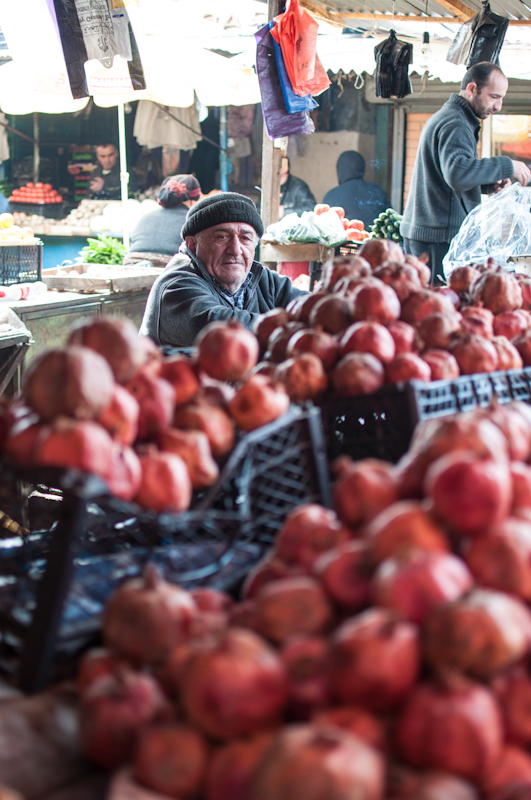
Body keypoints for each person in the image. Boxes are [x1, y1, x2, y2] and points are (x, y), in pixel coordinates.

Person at [400, 62, 531, 284]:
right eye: (494, 97)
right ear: (472, 89)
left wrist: (487, 184)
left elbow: (449, 174)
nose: (498, 106)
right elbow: (457, 173)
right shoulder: (456, 122)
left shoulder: (453, 117)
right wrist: (508, 165)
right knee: (439, 309)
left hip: (429, 233)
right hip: (437, 238)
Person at [140, 192, 309, 347]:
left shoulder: (263, 280)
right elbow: (221, 330)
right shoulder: (176, 286)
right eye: (222, 237)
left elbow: (311, 308)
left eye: (245, 238)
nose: (235, 249)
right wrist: (298, 328)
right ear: (193, 244)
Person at [123, 175, 201, 268]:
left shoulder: (146, 217)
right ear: (193, 201)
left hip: (131, 265)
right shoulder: (192, 222)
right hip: (167, 269)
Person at [323, 151, 390, 228]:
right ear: (362, 168)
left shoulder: (331, 195)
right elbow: (390, 222)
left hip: (345, 239)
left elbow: (326, 229)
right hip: (374, 239)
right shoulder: (377, 190)